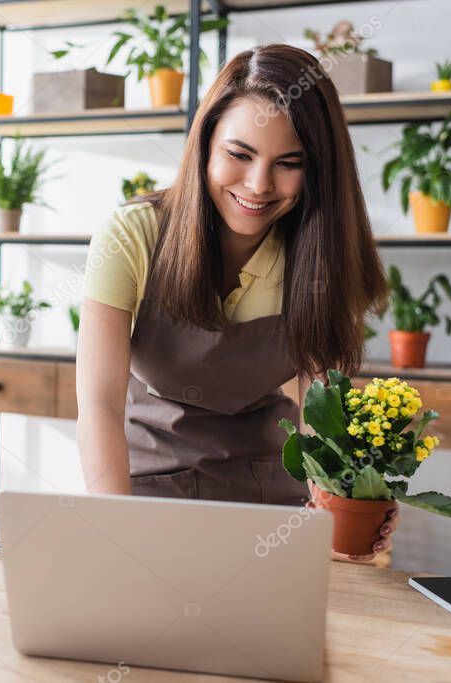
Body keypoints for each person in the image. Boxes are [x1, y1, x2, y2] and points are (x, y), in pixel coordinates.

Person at [76, 44, 398, 561]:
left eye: (288, 163)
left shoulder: (320, 259)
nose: (258, 185)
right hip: (142, 497)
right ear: (204, 143)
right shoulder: (132, 235)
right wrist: (118, 533)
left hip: (271, 510)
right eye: (239, 154)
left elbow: (325, 420)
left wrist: (346, 503)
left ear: (316, 170)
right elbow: (99, 404)